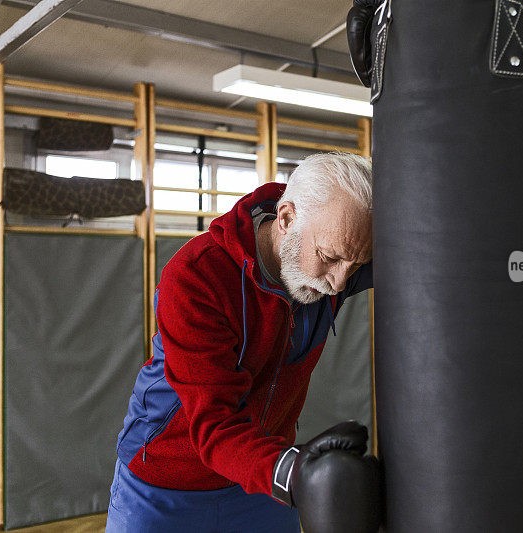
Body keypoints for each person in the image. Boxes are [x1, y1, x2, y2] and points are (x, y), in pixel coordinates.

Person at [106, 152, 379, 532]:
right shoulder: (197, 277)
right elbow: (215, 425)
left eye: (354, 265)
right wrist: (294, 473)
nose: (338, 283)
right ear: (286, 219)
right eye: (328, 258)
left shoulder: (337, 254)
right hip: (166, 483)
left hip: (258, 482)